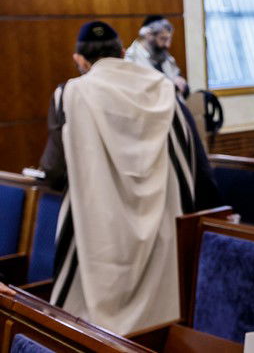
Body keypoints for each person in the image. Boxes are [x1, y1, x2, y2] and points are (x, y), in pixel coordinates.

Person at [40, 21, 220, 335]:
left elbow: (53, 172)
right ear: (123, 52)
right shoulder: (163, 88)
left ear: (79, 59)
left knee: (95, 323)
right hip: (163, 224)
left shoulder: (70, 94)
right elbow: (198, 167)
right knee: (162, 317)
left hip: (98, 233)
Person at [125, 15, 189, 95]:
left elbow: (178, 80)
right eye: (163, 39)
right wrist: (170, 85)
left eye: (169, 39)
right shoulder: (131, 59)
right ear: (149, 35)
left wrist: (181, 82)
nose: (168, 45)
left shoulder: (164, 55)